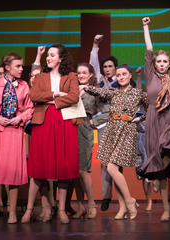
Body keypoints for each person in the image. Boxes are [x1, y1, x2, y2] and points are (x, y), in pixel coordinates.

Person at [136, 17, 170, 222]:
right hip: (154, 118)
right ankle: (166, 209)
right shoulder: (150, 75)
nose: (160, 64)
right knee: (158, 158)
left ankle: (159, 170)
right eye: (158, 61)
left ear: (169, 65)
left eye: (164, 61)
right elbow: (149, 49)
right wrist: (145, 26)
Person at [21, 43, 82, 224]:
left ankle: (62, 209)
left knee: (63, 165)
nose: (49, 58)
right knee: (38, 166)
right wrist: (56, 93)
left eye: (53, 55)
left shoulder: (71, 76)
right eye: (48, 55)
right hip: (44, 121)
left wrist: (53, 100)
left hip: (63, 120)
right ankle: (30, 209)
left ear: (61, 58)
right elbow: (34, 96)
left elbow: (74, 97)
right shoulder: (40, 76)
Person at [83, 64, 148, 220]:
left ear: (130, 75)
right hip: (112, 131)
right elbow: (98, 90)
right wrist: (83, 86)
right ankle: (124, 207)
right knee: (114, 169)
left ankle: (130, 201)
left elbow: (151, 107)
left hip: (127, 131)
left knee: (112, 169)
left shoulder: (138, 93)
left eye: (124, 74)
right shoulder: (113, 93)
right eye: (118, 75)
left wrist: (141, 118)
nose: (121, 77)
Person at [0, 52, 34, 224]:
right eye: (18, 66)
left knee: (13, 172)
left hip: (15, 131)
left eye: (21, 65)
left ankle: (12, 213)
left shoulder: (24, 85)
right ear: (7, 68)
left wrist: (21, 118)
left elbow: (30, 108)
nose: (21, 69)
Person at [89, 34, 115, 211]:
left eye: (110, 66)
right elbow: (93, 65)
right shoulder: (99, 83)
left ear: (115, 67)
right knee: (106, 162)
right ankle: (106, 196)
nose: (106, 69)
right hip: (104, 126)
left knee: (118, 164)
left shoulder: (122, 82)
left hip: (121, 126)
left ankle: (125, 199)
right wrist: (95, 45)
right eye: (105, 67)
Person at [72, 63, 99, 219]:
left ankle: (92, 205)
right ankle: (81, 207)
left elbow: (107, 110)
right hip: (70, 129)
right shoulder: (72, 90)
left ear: (90, 75)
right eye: (78, 72)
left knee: (83, 170)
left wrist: (94, 121)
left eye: (84, 72)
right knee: (74, 173)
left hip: (84, 130)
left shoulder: (94, 92)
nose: (81, 75)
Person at [134, 67, 152, 211]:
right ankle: (149, 200)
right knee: (143, 174)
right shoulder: (139, 109)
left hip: (152, 140)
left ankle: (152, 196)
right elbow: (139, 92)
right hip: (140, 141)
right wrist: (139, 76)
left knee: (152, 172)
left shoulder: (152, 109)